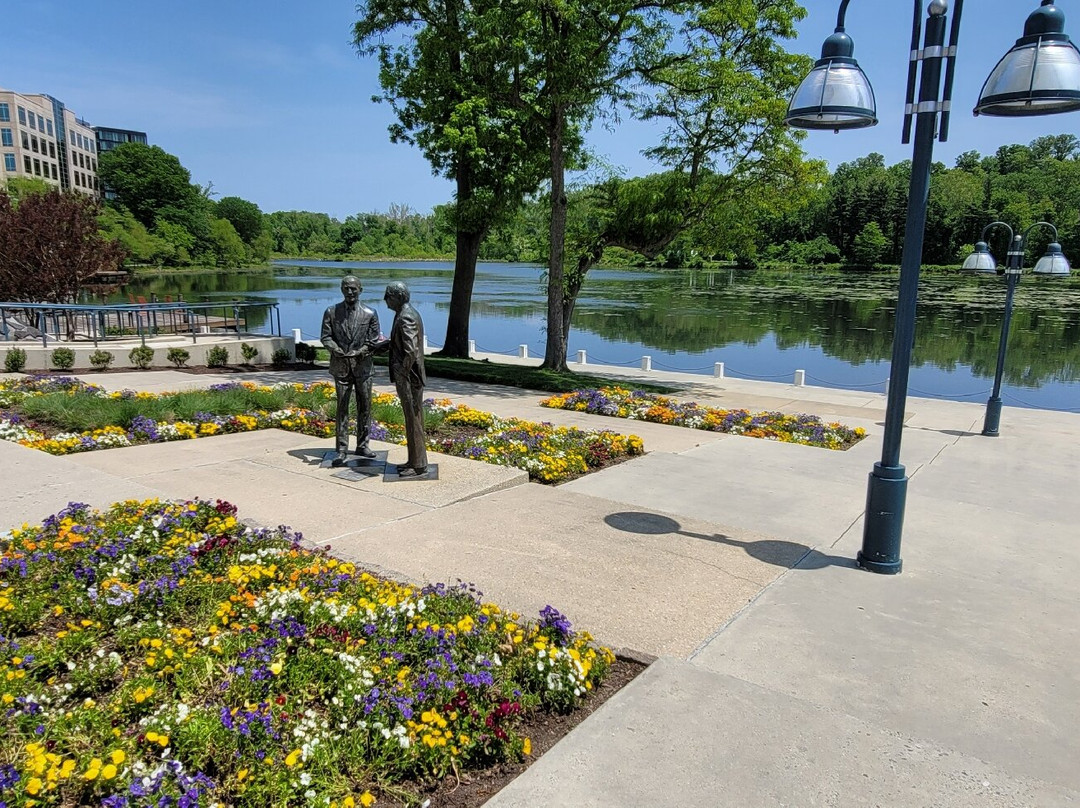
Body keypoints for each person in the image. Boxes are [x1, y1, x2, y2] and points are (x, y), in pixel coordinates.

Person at [321, 275, 381, 466]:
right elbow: (325, 336)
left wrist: (360, 352)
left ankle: (363, 444)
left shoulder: (370, 313)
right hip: (340, 367)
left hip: (363, 367)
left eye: (354, 289)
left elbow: (373, 341)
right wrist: (334, 349)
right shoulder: (331, 312)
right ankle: (341, 449)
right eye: (346, 288)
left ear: (360, 290)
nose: (350, 292)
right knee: (342, 408)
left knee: (365, 406)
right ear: (341, 289)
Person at [384, 281, 428, 476]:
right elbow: (401, 344)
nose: (385, 300)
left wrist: (402, 371)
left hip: (410, 377)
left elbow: (410, 351)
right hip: (409, 376)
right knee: (412, 418)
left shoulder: (406, 317)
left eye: (388, 296)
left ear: (398, 297)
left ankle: (418, 464)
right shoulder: (404, 314)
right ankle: (413, 460)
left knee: (413, 419)